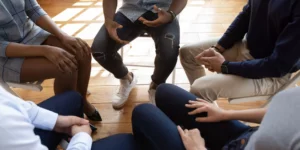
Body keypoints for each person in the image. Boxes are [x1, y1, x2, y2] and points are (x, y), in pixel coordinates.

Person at [179, 0, 300, 102]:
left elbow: (277, 66)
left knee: (200, 88)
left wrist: (225, 67)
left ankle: (209, 120)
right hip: (247, 46)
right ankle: (206, 108)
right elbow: (246, 14)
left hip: (271, 75)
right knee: (187, 53)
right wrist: (218, 47)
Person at [0, 0, 101, 120]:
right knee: (66, 66)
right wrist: (45, 50)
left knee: (82, 51)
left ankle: (82, 100)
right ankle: (70, 117)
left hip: (30, 33)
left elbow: (33, 9)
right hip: (5, 57)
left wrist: (62, 36)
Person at [132, 84, 300, 150]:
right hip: (245, 136)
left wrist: (198, 149)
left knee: (144, 112)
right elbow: (282, 114)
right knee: (165, 92)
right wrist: (225, 114)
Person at [91, 0, 187, 109]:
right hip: (129, 11)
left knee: (169, 52)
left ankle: (156, 86)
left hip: (164, 11)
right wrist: (108, 20)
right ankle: (127, 78)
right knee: (100, 51)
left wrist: (171, 14)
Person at [0, 87, 139, 150]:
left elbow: (9, 101)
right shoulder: (5, 125)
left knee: (74, 98)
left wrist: (56, 121)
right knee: (126, 142)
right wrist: (82, 138)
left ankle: (69, 140)